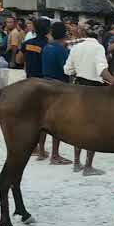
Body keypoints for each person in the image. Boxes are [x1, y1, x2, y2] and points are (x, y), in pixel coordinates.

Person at [64, 21, 114, 176]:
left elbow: (67, 69)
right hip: (94, 90)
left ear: (84, 33)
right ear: (99, 34)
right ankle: (88, 166)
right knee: (93, 128)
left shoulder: (76, 47)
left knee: (78, 126)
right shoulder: (98, 47)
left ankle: (76, 162)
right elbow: (101, 71)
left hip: (77, 87)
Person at [16, 18, 52, 162]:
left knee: (29, 117)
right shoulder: (48, 45)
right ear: (48, 30)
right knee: (42, 119)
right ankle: (41, 150)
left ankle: (31, 147)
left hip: (29, 82)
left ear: (34, 29)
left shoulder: (27, 44)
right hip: (44, 84)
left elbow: (18, 60)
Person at [42, 22, 73, 165]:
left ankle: (41, 149)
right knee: (57, 122)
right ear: (65, 34)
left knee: (41, 120)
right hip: (58, 87)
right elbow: (67, 70)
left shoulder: (47, 47)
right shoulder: (62, 50)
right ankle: (55, 155)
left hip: (44, 84)